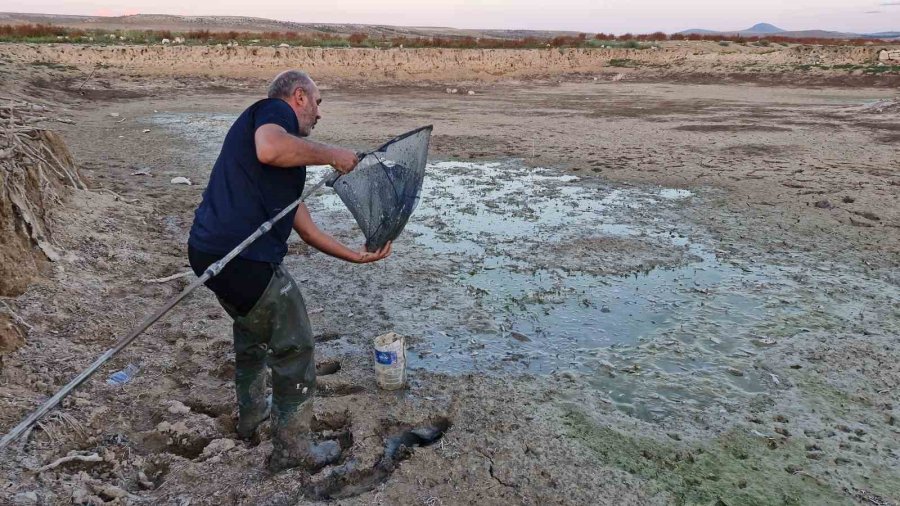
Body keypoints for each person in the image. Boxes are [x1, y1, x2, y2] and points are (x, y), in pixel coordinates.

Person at [187, 70, 391, 472]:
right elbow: (270, 148)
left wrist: (352, 255)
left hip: (209, 254)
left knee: (251, 333)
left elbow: (302, 222)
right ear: (298, 97)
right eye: (317, 102)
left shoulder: (280, 163)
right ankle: (293, 450)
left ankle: (251, 419)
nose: (319, 113)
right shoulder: (271, 113)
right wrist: (332, 153)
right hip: (241, 258)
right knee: (295, 345)